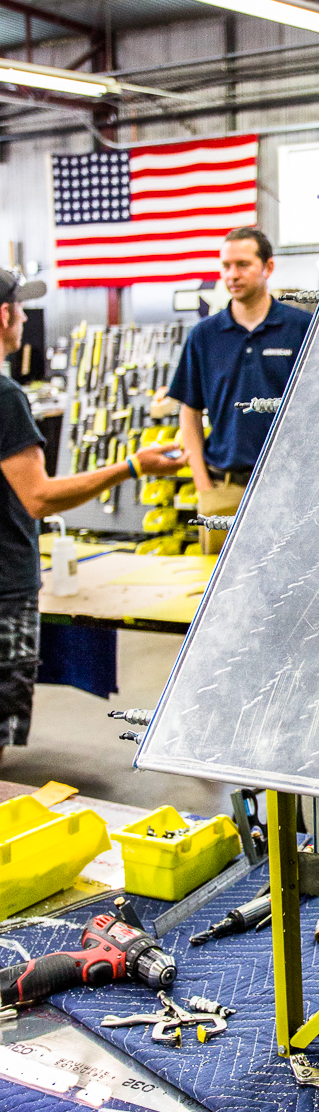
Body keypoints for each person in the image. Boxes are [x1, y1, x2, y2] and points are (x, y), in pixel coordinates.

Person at [0, 270, 187, 762]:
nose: (22, 318)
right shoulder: (5, 398)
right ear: (5, 316)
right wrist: (130, 466)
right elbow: (38, 497)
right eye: (19, 308)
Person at [168, 228, 312, 552]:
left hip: (290, 489)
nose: (232, 275)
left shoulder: (302, 329)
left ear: (268, 268)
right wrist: (204, 487)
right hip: (225, 490)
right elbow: (188, 413)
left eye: (243, 264)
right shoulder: (204, 336)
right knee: (220, 597)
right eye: (226, 266)